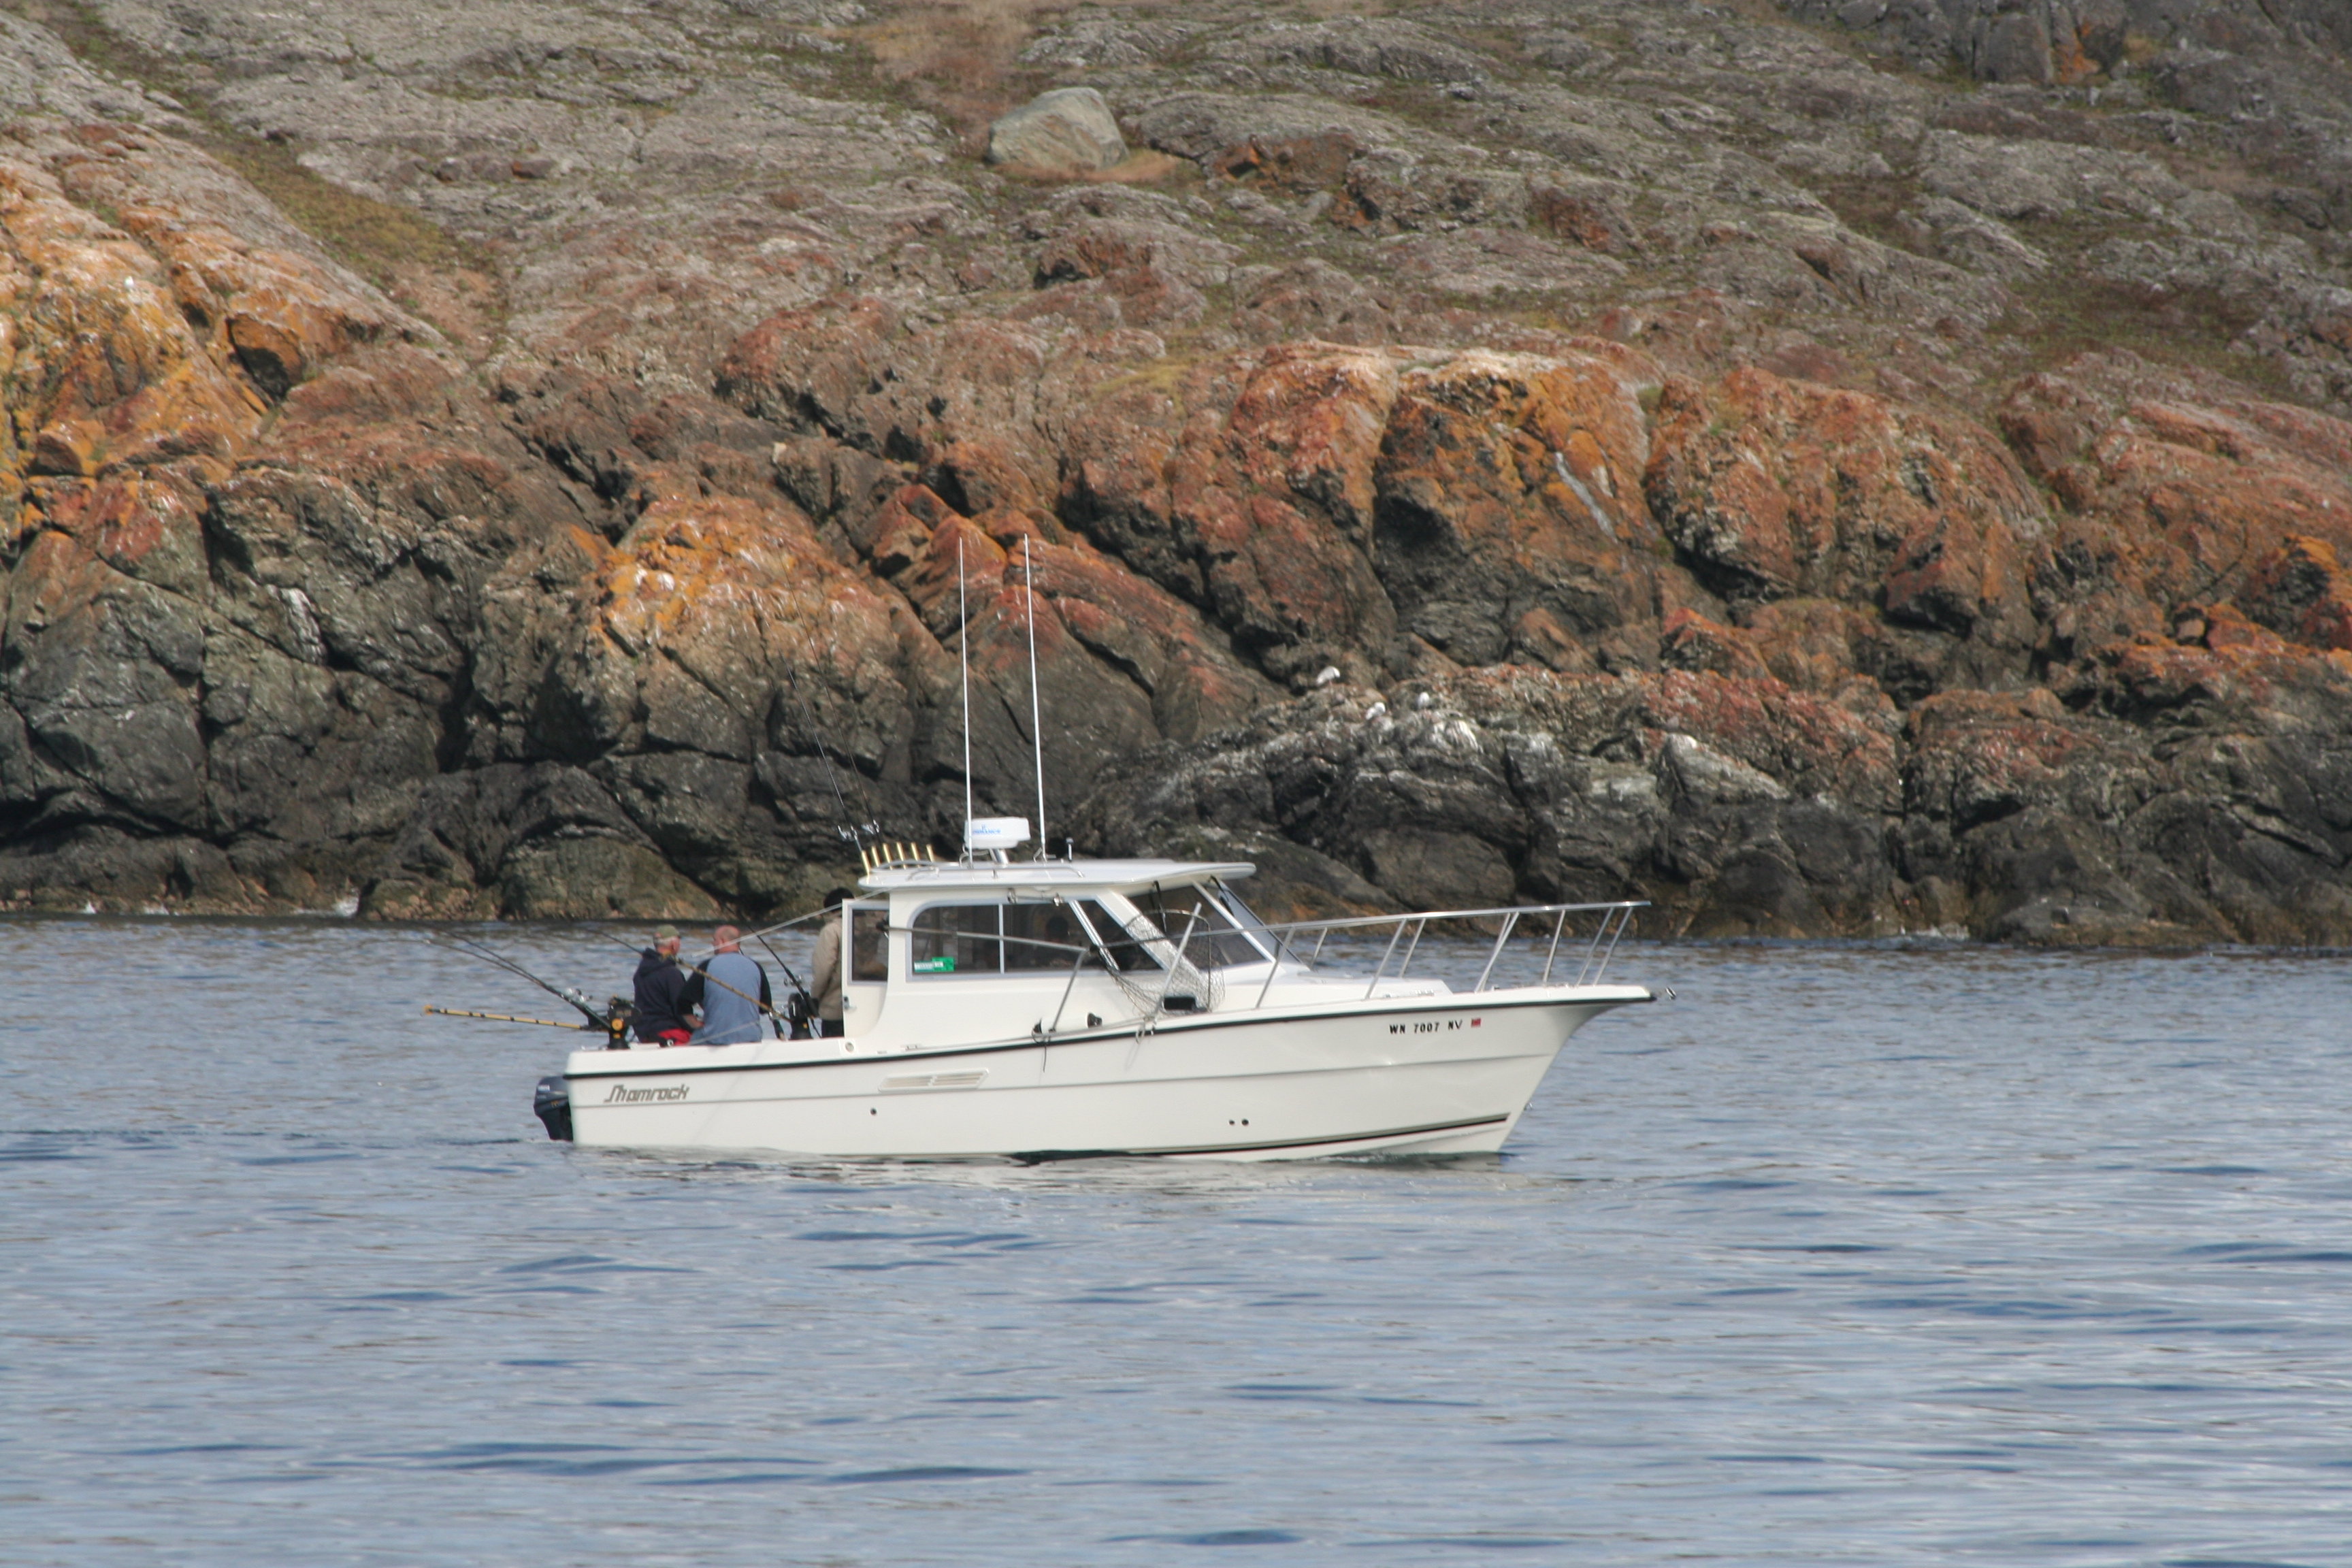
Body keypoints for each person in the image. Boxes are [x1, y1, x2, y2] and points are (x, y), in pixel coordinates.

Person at [680, 925, 772, 1047]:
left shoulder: (707, 966)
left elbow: (682, 1002)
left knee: (693, 1038)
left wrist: (695, 1024)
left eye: (715, 940)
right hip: (751, 1037)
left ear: (722, 941)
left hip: (715, 1038)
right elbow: (765, 1007)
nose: (713, 944)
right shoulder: (756, 966)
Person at [632, 924, 692, 1046]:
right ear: (673, 945)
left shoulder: (641, 971)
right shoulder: (671, 973)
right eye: (679, 941)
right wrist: (697, 1028)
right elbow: (681, 1009)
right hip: (669, 1033)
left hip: (645, 1033)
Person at [808, 887, 852, 1038]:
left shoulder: (831, 930)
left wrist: (814, 998)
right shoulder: (867, 928)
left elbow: (823, 970)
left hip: (835, 1009)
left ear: (830, 910)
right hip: (866, 1008)